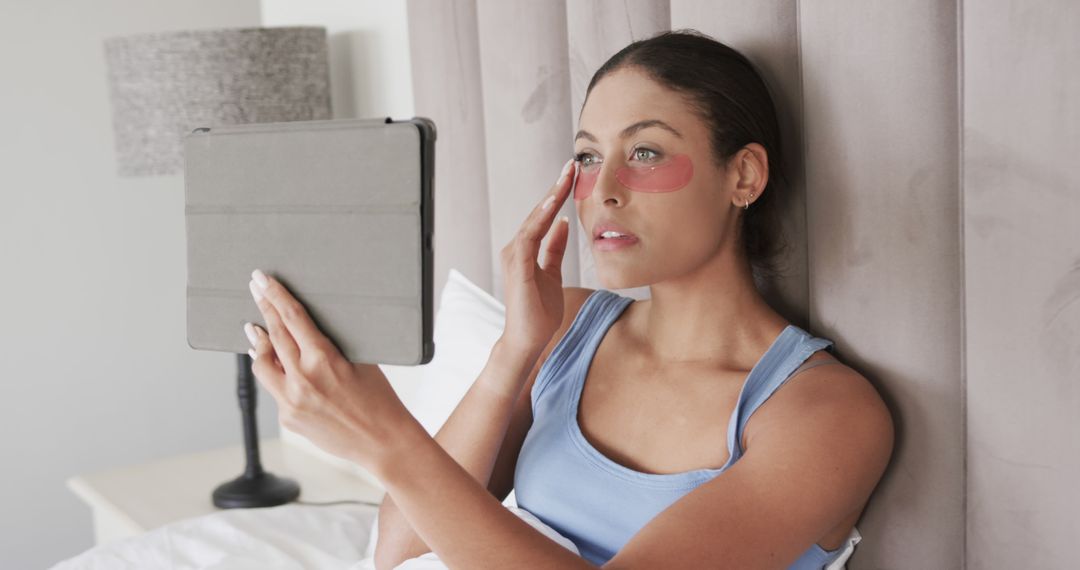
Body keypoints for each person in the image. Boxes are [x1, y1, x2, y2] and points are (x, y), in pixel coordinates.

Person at [245, 28, 894, 570]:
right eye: (586, 158)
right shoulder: (571, 326)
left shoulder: (826, 413)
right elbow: (399, 549)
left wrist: (383, 438)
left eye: (644, 151)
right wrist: (513, 354)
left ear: (743, 175)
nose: (604, 189)